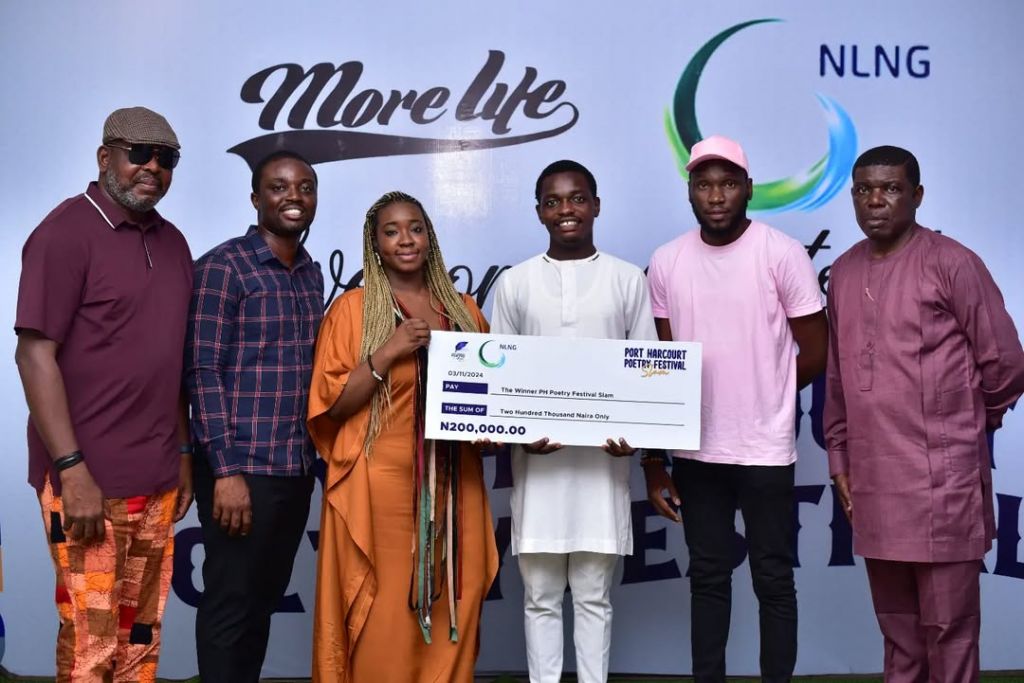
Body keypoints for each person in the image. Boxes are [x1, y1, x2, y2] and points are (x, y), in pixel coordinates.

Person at [824, 145, 1024, 682]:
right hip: (873, 478)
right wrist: (839, 457)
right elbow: (840, 379)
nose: (876, 201)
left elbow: (1005, 361)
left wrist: (962, 426)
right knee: (898, 630)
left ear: (917, 195)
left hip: (944, 481)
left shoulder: (952, 262)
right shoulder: (842, 273)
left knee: (949, 627)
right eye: (864, 190)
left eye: (890, 188)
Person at [14, 106, 193, 681]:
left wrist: (185, 454)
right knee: (92, 646)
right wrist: (71, 469)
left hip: (159, 479)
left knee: (140, 640)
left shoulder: (174, 244)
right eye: (138, 154)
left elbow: (171, 363)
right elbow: (33, 354)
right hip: (86, 483)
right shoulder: (64, 233)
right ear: (105, 158)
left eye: (166, 159)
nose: (152, 168)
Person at [644, 135, 828, 682]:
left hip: (765, 447)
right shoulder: (667, 260)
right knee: (707, 575)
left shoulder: (782, 252)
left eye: (727, 183)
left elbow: (816, 350)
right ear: (690, 193)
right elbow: (663, 361)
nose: (716, 195)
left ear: (747, 188)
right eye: (704, 184)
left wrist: (766, 394)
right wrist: (657, 453)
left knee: (772, 576)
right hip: (697, 446)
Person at [307, 191, 498, 682]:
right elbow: (332, 406)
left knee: (462, 586)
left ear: (429, 237)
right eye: (391, 231)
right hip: (381, 482)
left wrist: (499, 431)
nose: (406, 239)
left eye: (415, 228)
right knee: (388, 604)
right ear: (375, 245)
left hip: (457, 479)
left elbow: (491, 398)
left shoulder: (463, 309)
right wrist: (388, 351)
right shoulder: (353, 311)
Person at [489, 160, 656, 683]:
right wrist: (518, 434)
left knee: (592, 596)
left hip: (602, 471)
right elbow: (501, 380)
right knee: (539, 597)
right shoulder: (515, 283)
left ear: (597, 205)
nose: (567, 210)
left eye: (577, 198)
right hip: (539, 471)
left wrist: (637, 439)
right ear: (539, 211)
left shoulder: (628, 279)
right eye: (554, 201)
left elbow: (646, 371)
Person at [185, 151, 324, 681]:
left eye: (305, 187)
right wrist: (225, 472)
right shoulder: (224, 267)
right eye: (279, 187)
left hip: (294, 468)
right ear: (256, 199)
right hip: (240, 472)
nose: (294, 196)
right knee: (230, 606)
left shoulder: (309, 274)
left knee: (262, 603)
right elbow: (202, 372)